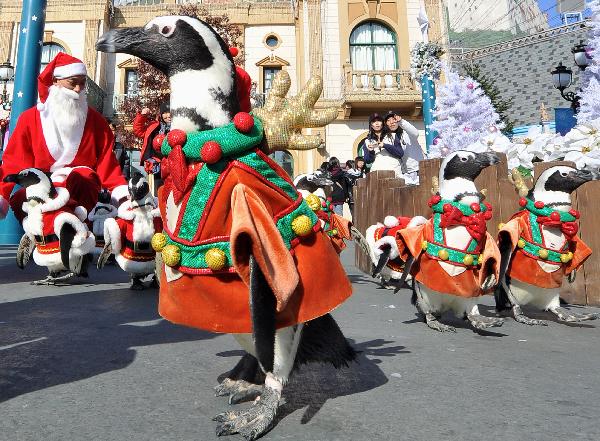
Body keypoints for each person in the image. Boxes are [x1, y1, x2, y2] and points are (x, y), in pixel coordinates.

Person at [0, 52, 128, 222]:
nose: (78, 89)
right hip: (44, 186)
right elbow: (15, 160)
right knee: (21, 199)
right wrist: (3, 194)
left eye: (82, 84)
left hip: (82, 188)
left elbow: (107, 162)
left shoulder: (96, 121)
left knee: (81, 181)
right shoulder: (30, 119)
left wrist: (121, 193)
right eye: (73, 83)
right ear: (55, 81)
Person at [365, 111, 423, 184]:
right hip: (404, 172)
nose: (392, 122)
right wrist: (371, 151)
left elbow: (415, 133)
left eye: (394, 119)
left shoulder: (406, 133)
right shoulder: (371, 140)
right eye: (388, 120)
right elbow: (368, 159)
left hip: (418, 168)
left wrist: (401, 121)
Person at [132, 101, 171, 193]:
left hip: (174, 163)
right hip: (158, 165)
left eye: (170, 112)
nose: (168, 115)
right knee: (159, 191)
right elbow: (138, 131)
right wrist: (142, 116)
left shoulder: (181, 126)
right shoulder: (154, 126)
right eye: (164, 113)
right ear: (161, 115)